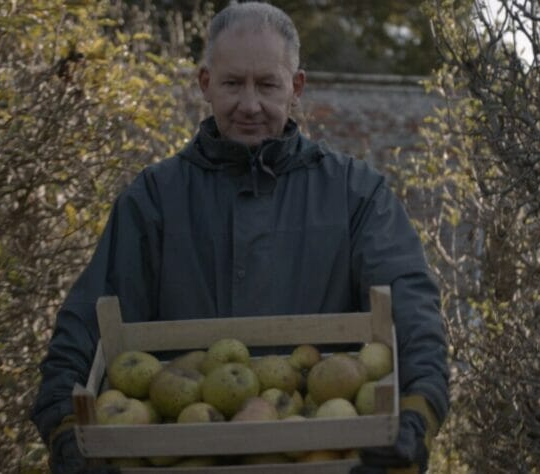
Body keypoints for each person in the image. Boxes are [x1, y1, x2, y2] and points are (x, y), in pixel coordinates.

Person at [29, 2, 449, 473]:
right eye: (233, 83)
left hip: (323, 455)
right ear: (205, 84)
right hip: (183, 457)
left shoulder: (356, 195)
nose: (250, 104)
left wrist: (417, 413)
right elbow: (85, 322)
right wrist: (65, 425)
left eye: (267, 84)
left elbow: (411, 309)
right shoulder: (152, 200)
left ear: (296, 87)